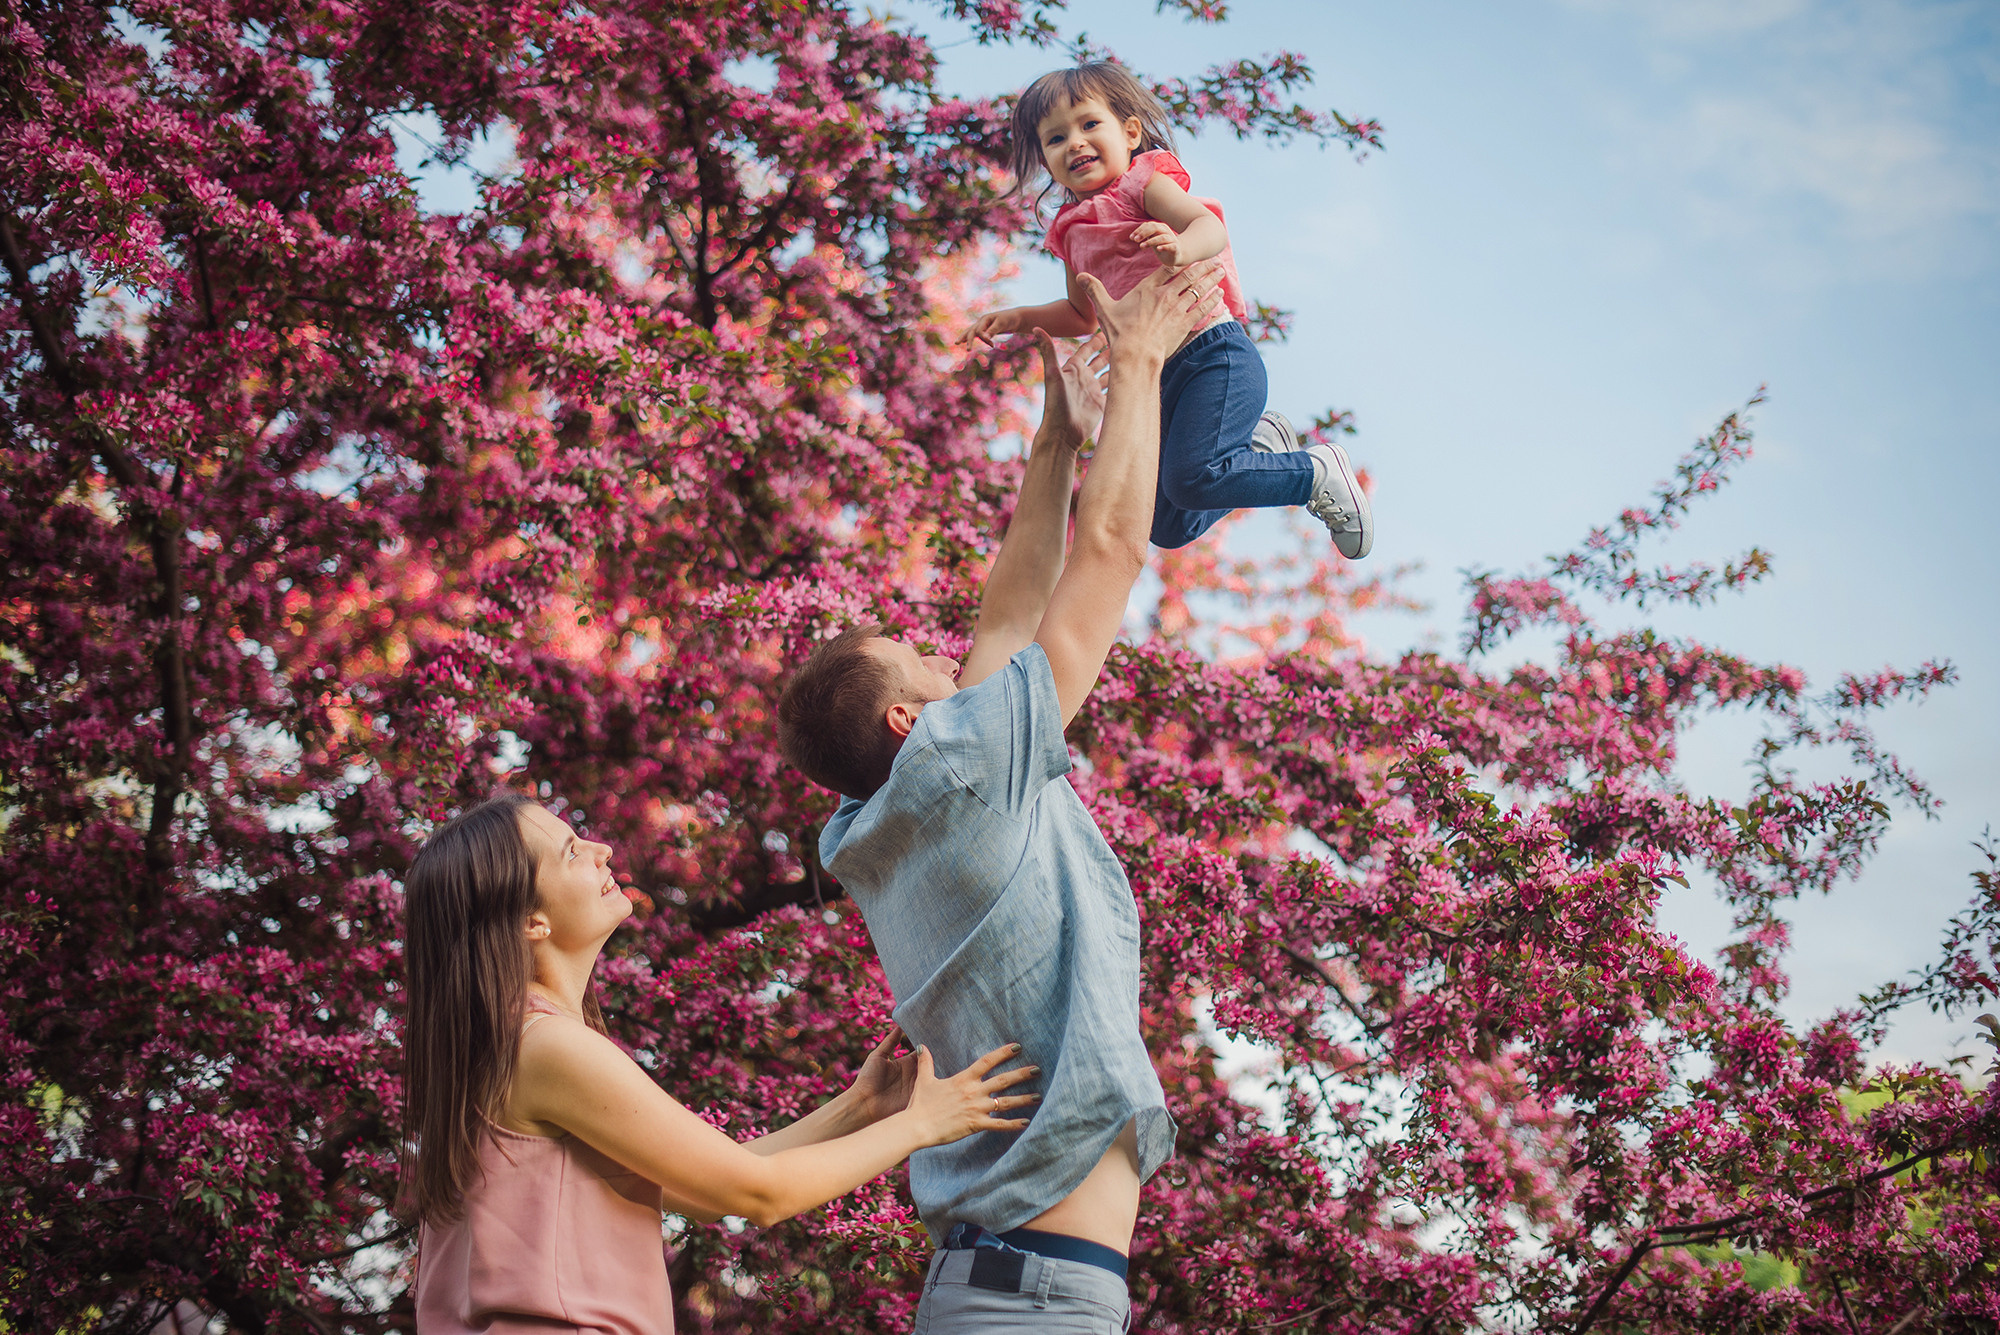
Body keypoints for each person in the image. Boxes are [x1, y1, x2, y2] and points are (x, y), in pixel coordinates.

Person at [777, 259, 1227, 1330]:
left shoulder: (885, 818)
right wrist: (1142, 360)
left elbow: (1001, 627)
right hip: (1028, 1296)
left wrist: (1056, 439)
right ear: (907, 725)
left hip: (1013, 1286)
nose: (950, 666)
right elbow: (1109, 554)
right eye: (922, 670)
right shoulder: (961, 772)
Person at [399, 791, 1039, 1335]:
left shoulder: (510, 1043)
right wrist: (922, 1125)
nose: (602, 851)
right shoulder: (546, 1048)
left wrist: (860, 1108)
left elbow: (704, 1191)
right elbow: (755, 1195)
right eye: (571, 851)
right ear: (530, 920)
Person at [968, 60, 1374, 560]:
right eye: (1055, 139)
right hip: (1153, 380)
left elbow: (1208, 226)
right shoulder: (1071, 231)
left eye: (1089, 125)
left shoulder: (1142, 184)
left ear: (1131, 132)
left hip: (1211, 354)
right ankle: (1262, 450)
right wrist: (1016, 318)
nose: (1073, 142)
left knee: (1195, 480)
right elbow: (1082, 315)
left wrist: (1181, 247)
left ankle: (1313, 473)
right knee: (1165, 522)